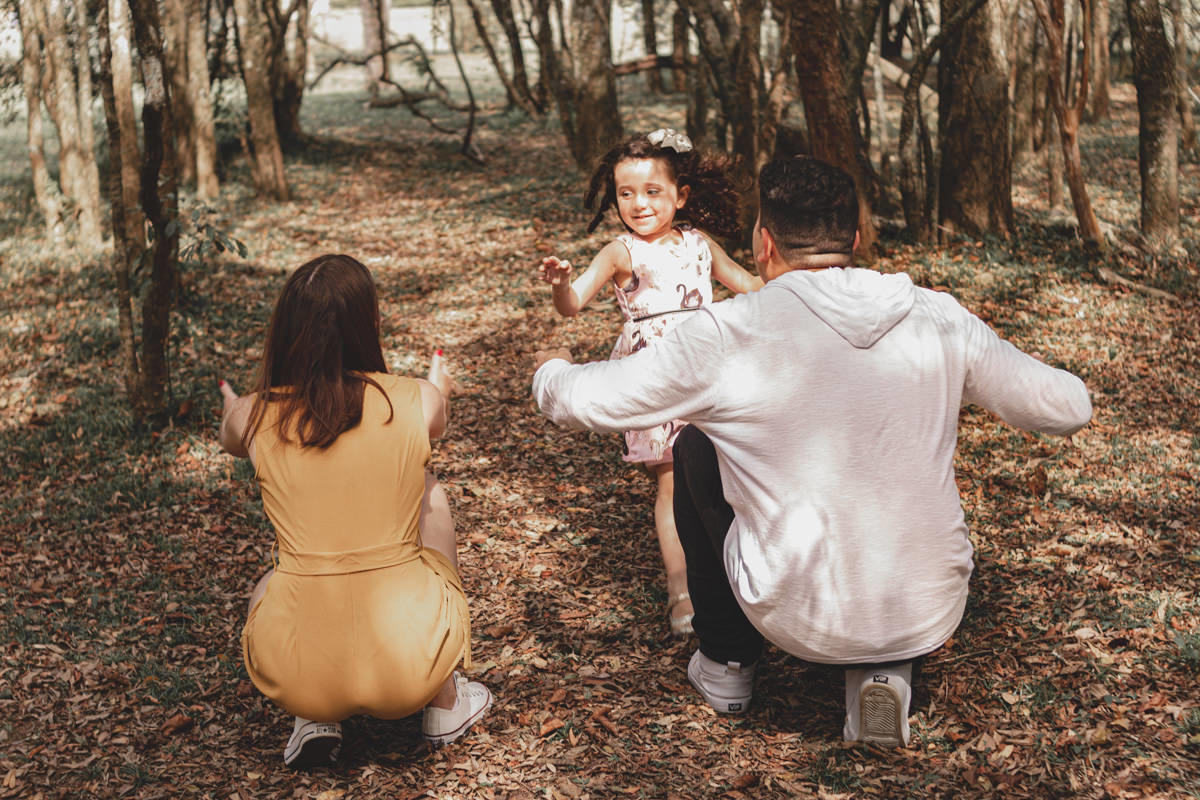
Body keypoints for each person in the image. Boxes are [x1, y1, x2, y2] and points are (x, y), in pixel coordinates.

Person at [531, 156, 1092, 747]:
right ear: (856, 238)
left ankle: (726, 664)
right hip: (926, 605)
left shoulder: (728, 332)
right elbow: (1068, 407)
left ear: (764, 244)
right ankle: (881, 672)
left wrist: (551, 370)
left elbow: (587, 401)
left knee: (694, 442)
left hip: (792, 608)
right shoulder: (937, 315)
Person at [218, 254, 492, 768]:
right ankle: (445, 700)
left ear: (285, 332)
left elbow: (231, 437)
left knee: (274, 580)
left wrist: (237, 406)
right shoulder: (416, 398)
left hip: (296, 673)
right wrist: (438, 387)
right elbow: (437, 421)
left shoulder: (251, 413)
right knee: (428, 488)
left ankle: (312, 715)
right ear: (369, 324)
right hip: (413, 665)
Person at [536, 128, 763, 636]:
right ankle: (682, 591)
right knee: (672, 481)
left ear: (680, 195)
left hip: (709, 365)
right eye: (626, 193)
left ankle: (740, 576)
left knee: (725, 470)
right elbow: (572, 304)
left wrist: (800, 278)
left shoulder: (699, 244)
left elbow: (749, 284)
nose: (639, 204)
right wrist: (560, 284)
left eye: (652, 191)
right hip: (653, 374)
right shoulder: (620, 252)